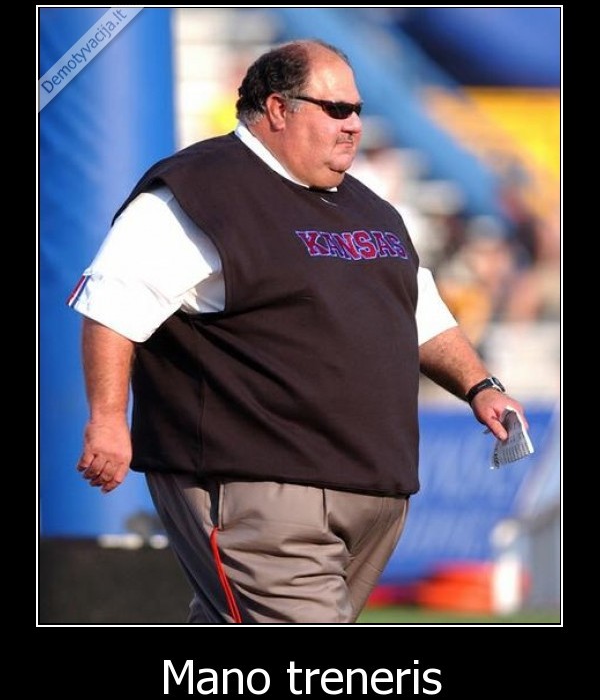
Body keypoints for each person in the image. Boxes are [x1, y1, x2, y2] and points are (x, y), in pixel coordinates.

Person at [68, 39, 526, 625]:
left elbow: (422, 315)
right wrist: (108, 418)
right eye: (336, 109)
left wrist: (480, 386)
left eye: (358, 110)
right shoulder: (200, 190)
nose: (354, 124)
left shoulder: (369, 206)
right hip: (257, 485)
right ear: (278, 109)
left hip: (371, 489)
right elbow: (112, 303)